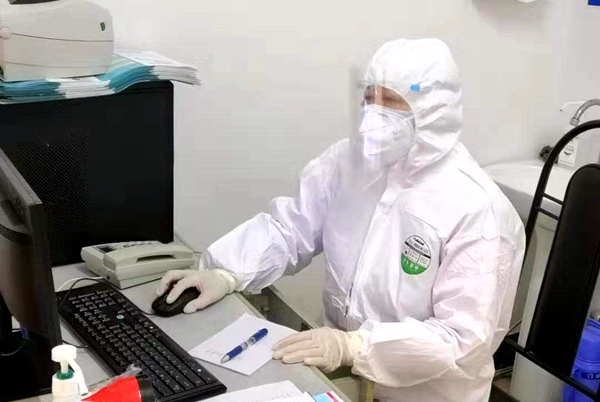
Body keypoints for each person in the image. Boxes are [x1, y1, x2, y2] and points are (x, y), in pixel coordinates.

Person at [158, 38, 525, 402]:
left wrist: (354, 346)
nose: (374, 115)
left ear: (433, 111)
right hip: (345, 377)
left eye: (391, 102)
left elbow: (460, 339)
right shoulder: (349, 162)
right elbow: (291, 229)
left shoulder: (478, 211)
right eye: (369, 98)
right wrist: (225, 272)